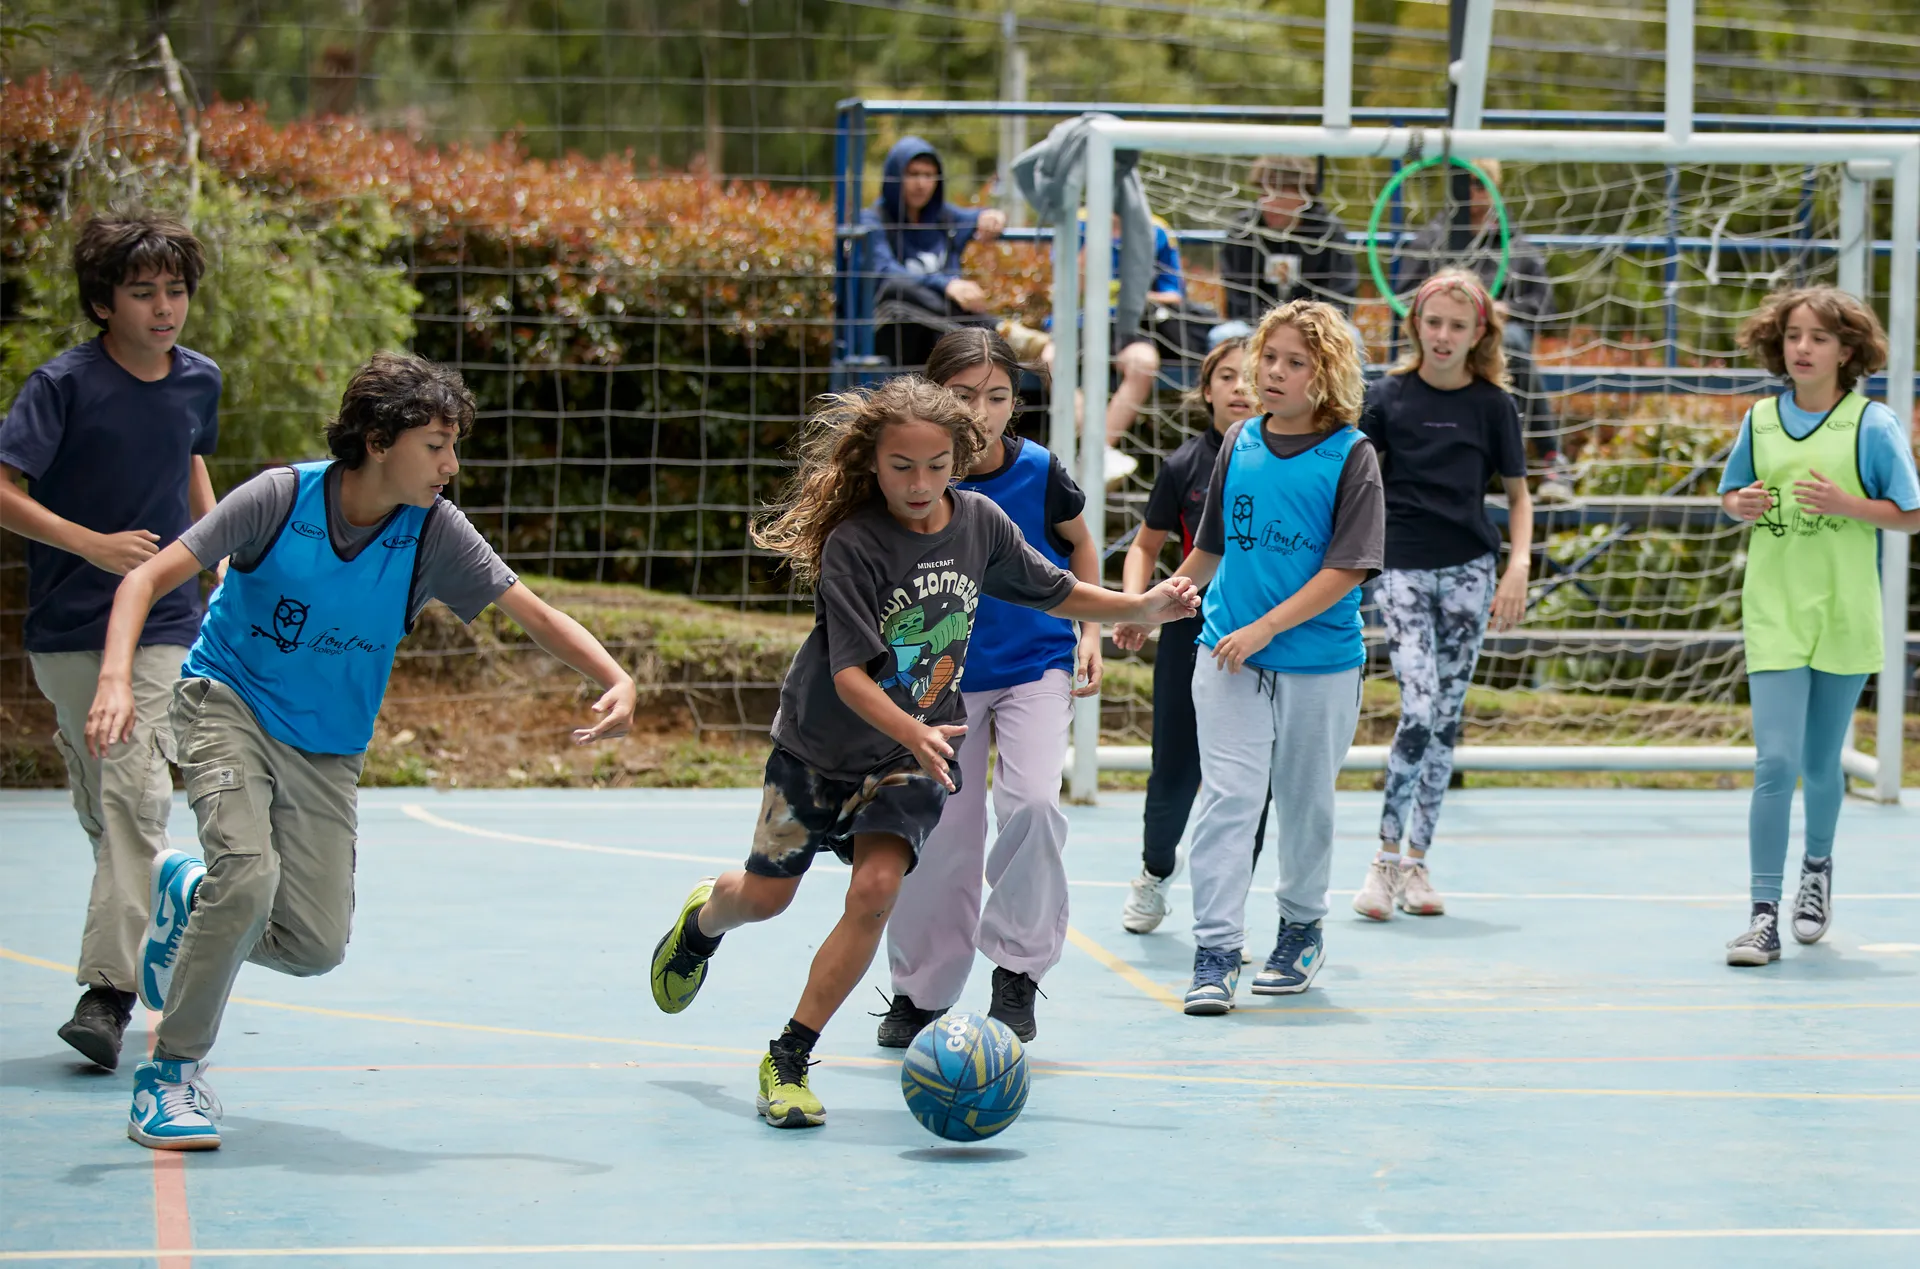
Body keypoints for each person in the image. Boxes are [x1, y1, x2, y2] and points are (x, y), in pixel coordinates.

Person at [84, 352, 639, 1150]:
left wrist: (615, 675)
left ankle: (188, 899)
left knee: (315, 946)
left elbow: (534, 612)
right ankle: (170, 1073)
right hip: (227, 702)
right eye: (437, 445)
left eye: (454, 446)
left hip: (328, 746)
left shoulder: (433, 533)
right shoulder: (280, 496)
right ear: (379, 439)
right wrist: (116, 680)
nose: (450, 465)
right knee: (249, 875)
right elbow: (145, 581)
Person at [645, 376, 1199, 1129]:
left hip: (916, 753)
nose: (920, 481)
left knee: (875, 889)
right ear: (872, 462)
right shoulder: (856, 543)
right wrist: (910, 727)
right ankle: (704, 919)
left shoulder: (979, 522)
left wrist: (1141, 606)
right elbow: (847, 674)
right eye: (902, 465)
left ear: (959, 458)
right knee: (766, 898)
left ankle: (789, 1056)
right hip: (821, 746)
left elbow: (1053, 588)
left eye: (937, 464)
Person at [0, 210, 220, 1073]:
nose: (164, 308)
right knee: (110, 809)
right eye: (143, 293)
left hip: (165, 618)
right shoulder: (61, 386)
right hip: (67, 629)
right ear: (103, 303)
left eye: (175, 291)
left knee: (133, 797)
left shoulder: (198, 378)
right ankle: (151, 919)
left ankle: (107, 993)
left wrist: (220, 547)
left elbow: (192, 461)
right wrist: (89, 543)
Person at [877, 329, 1103, 1047]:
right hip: (941, 675)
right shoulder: (916, 470)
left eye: (998, 395)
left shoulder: (1038, 470)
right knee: (944, 829)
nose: (982, 409)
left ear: (1016, 401)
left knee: (1034, 802)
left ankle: (1017, 973)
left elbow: (1081, 543)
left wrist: (1091, 631)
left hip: (1037, 660)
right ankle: (921, 990)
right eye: (964, 395)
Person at [1164, 300, 1383, 1016]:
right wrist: (1158, 599)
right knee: (1228, 799)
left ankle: (1300, 929)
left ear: (1327, 375)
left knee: (1304, 804)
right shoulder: (1239, 442)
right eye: (1270, 358)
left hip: (1319, 662)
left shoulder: (1353, 455)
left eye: (1297, 362)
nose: (1276, 372)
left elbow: (1346, 569)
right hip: (1227, 654)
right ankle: (1217, 949)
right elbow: (1210, 548)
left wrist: (1264, 628)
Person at [1718, 286, 1918, 967]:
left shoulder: (1873, 425)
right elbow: (1731, 493)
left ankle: (1818, 869)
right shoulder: (1761, 420)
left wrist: (1849, 503)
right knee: (1774, 761)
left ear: (1848, 351)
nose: (1803, 347)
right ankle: (1762, 914)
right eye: (1794, 334)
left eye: (1819, 337)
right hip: (1774, 609)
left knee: (1819, 761)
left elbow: (1911, 513)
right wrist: (1739, 503)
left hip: (1843, 611)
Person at [1352, 269, 1534, 921]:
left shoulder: (1493, 405)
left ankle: (1418, 861)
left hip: (1470, 569)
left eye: (1458, 325)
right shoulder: (1387, 397)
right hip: (1401, 565)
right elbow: (1358, 486)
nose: (1443, 335)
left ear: (1479, 332)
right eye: (1433, 322)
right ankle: (1383, 857)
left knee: (1448, 718)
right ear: (1416, 325)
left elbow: (1517, 496)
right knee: (1420, 709)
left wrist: (1517, 566)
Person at [1112, 339, 1270, 935]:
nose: (1238, 387)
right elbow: (1147, 546)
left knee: (1250, 782)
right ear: (1206, 391)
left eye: (1248, 377)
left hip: (1260, 641)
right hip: (1191, 635)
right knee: (1175, 771)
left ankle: (1229, 905)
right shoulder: (1184, 465)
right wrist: (1139, 606)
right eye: (1225, 377)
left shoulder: (1285, 461)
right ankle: (1155, 874)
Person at [1395, 160, 1565, 496]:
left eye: (1481, 183)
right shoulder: (1432, 238)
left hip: (1495, 348)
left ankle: (1551, 459)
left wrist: (1504, 310)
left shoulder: (1514, 244)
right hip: (1438, 348)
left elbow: (1545, 306)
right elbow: (1404, 297)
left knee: (1513, 339)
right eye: (1466, 184)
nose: (1474, 192)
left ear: (1496, 189)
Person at [860, 137, 1006, 365]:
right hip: (894, 333)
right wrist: (947, 285)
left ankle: (993, 333)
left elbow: (978, 216)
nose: (921, 184)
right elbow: (886, 273)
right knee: (899, 290)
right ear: (894, 176)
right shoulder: (873, 219)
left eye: (929, 175)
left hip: (943, 337)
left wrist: (992, 216)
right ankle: (997, 330)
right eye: (913, 174)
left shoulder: (943, 218)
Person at [1213, 155, 1357, 346]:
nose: (1268, 203)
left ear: (1304, 195)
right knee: (1223, 335)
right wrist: (1269, 327)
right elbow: (1237, 297)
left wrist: (1308, 326)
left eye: (1278, 194)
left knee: (1352, 337)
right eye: (1263, 194)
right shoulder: (1243, 230)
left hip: (1316, 329)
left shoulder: (1329, 232)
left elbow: (1341, 294)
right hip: (1254, 326)